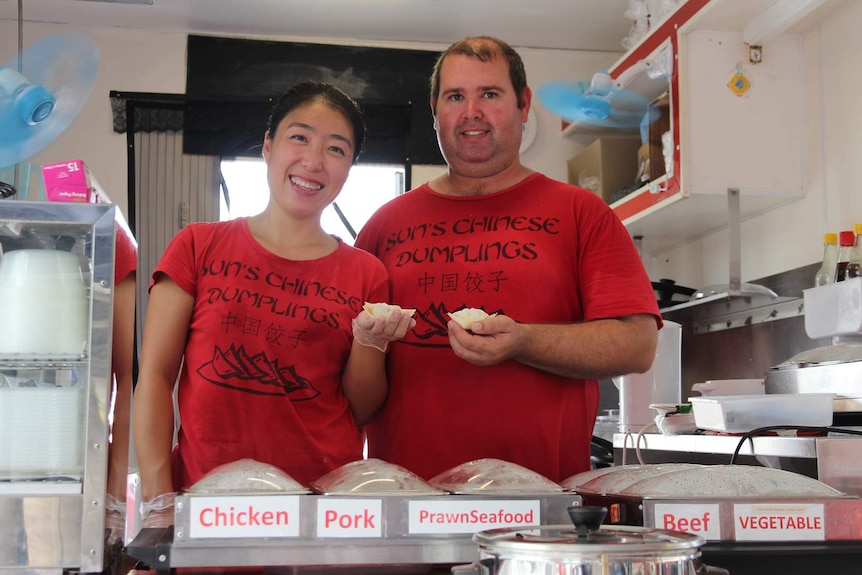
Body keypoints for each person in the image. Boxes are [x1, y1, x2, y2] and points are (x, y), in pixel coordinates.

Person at [354, 36, 661, 483]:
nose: (471, 112)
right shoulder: (384, 225)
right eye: (455, 96)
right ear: (435, 111)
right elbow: (347, 364)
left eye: (490, 94)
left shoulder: (581, 214)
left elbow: (637, 345)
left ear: (522, 105)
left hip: (540, 508)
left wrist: (523, 341)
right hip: (408, 506)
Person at [132, 82, 414, 528]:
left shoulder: (367, 273)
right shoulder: (198, 246)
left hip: (321, 512)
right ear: (268, 146)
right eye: (299, 137)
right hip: (207, 506)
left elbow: (359, 410)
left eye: (336, 149)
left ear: (348, 169)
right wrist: (159, 504)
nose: (313, 160)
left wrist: (368, 342)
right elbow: (154, 378)